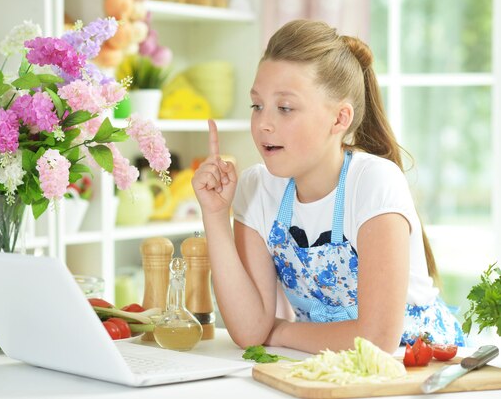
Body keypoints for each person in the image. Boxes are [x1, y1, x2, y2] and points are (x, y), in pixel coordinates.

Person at [191, 19, 464, 354]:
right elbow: (249, 331)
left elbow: (377, 341)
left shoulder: (373, 183)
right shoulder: (256, 188)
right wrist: (216, 217)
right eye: (257, 105)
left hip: (418, 367)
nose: (263, 123)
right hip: (327, 363)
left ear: (340, 119)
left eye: (285, 108)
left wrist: (280, 332)